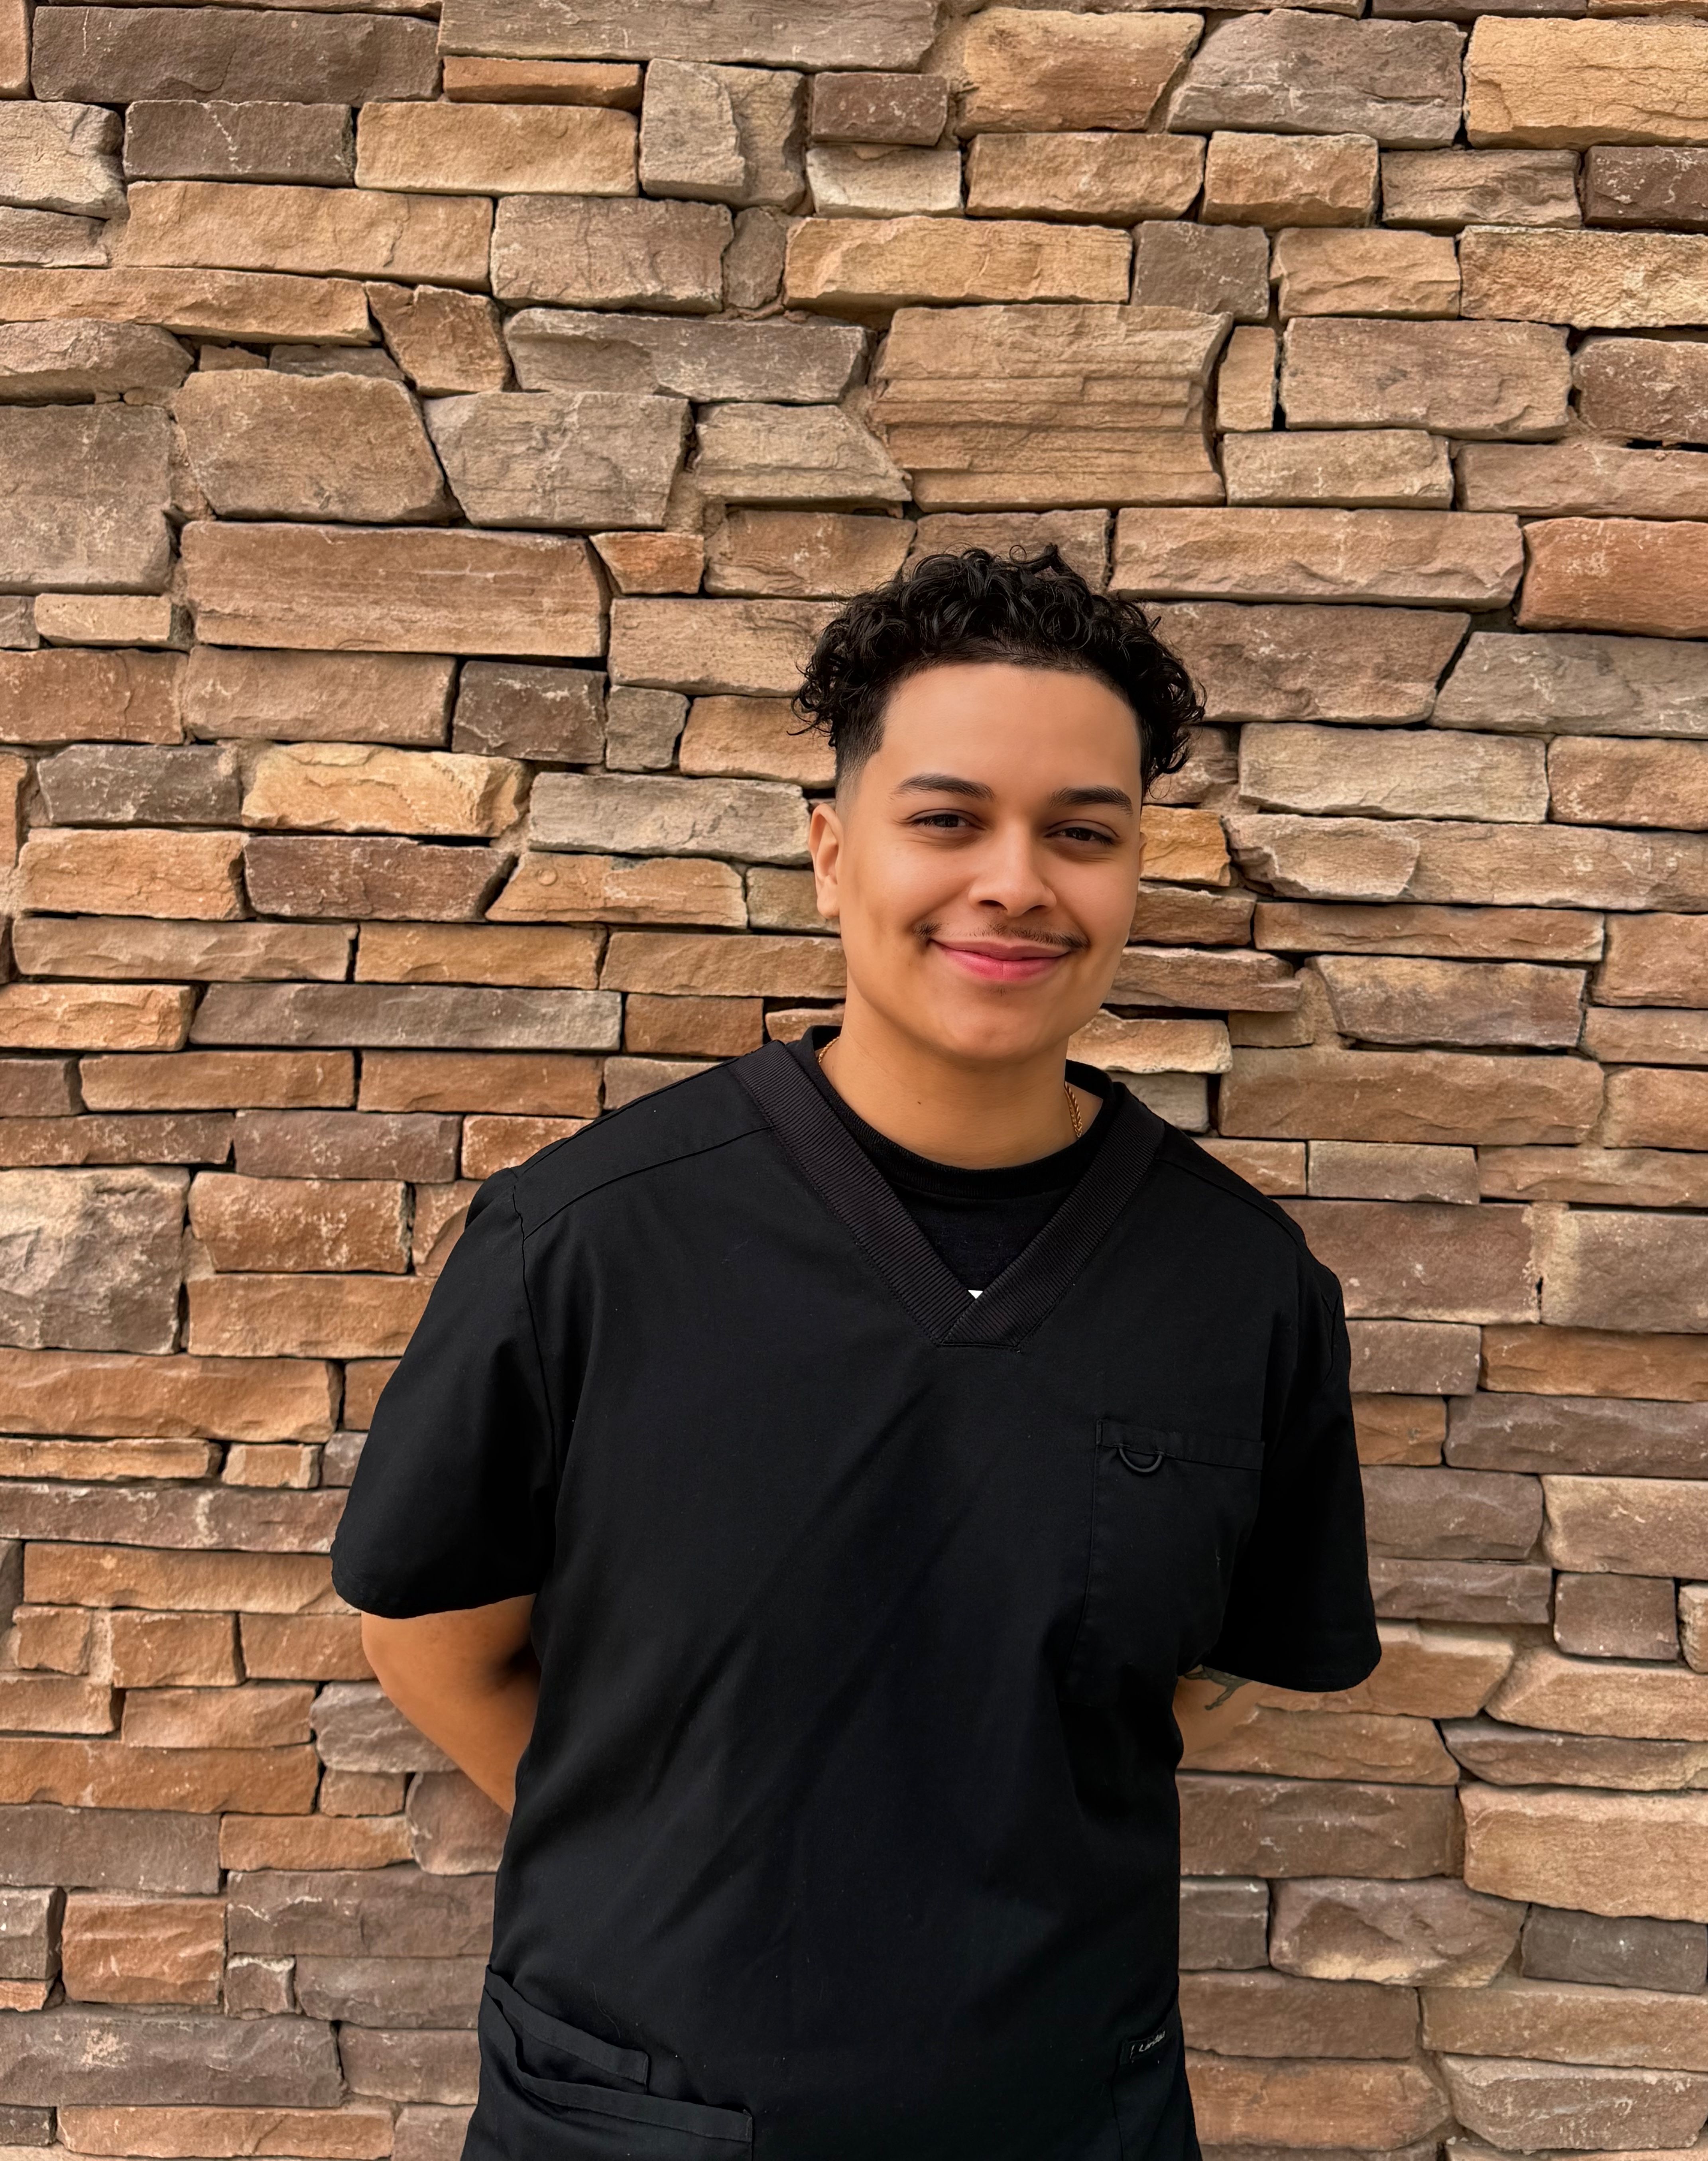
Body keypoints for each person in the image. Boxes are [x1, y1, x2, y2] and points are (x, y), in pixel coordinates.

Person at [329, 545, 1382, 2161]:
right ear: (832, 852)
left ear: (1133, 874)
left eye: (1081, 834)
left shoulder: (1240, 1287)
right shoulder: (590, 1241)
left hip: (1063, 2113)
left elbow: (1227, 1668)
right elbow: (434, 1639)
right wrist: (671, 1848)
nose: (1017, 882)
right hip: (643, 2107)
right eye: (948, 820)